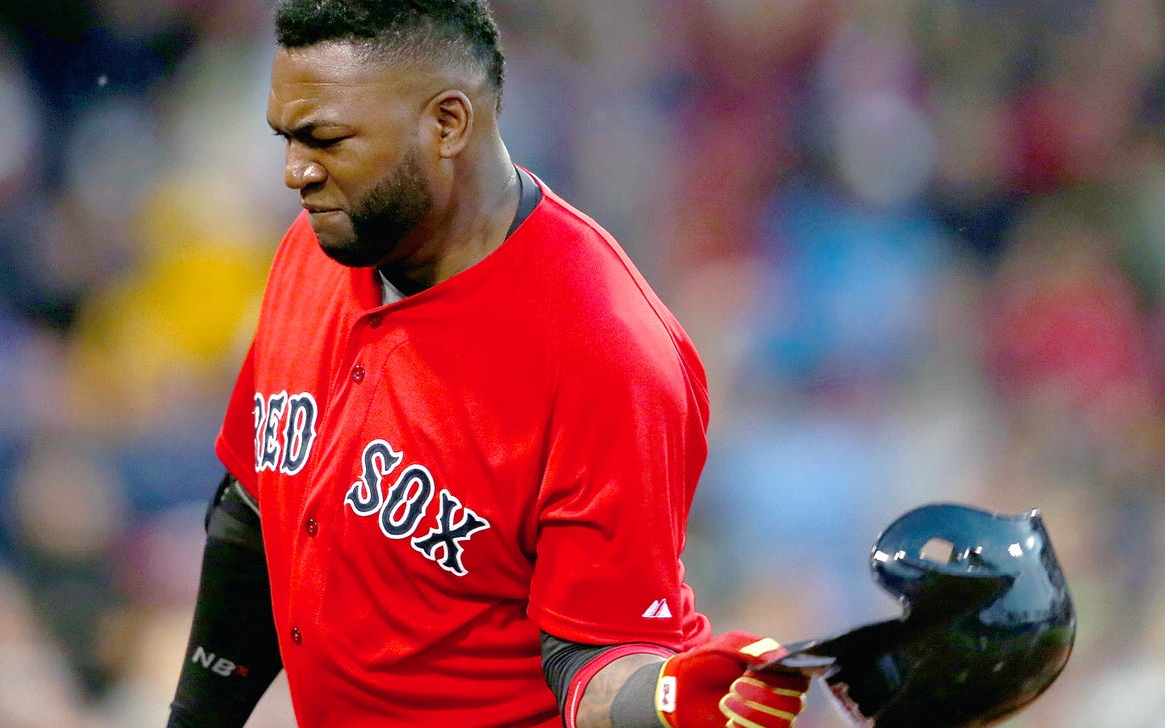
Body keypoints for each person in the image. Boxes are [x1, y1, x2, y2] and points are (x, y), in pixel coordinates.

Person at [166, 2, 810, 727]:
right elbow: (255, 510)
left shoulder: (606, 352)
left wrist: (664, 701)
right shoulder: (313, 249)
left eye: (326, 139)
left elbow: (595, 657)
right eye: (287, 138)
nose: (295, 172)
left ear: (447, 124)